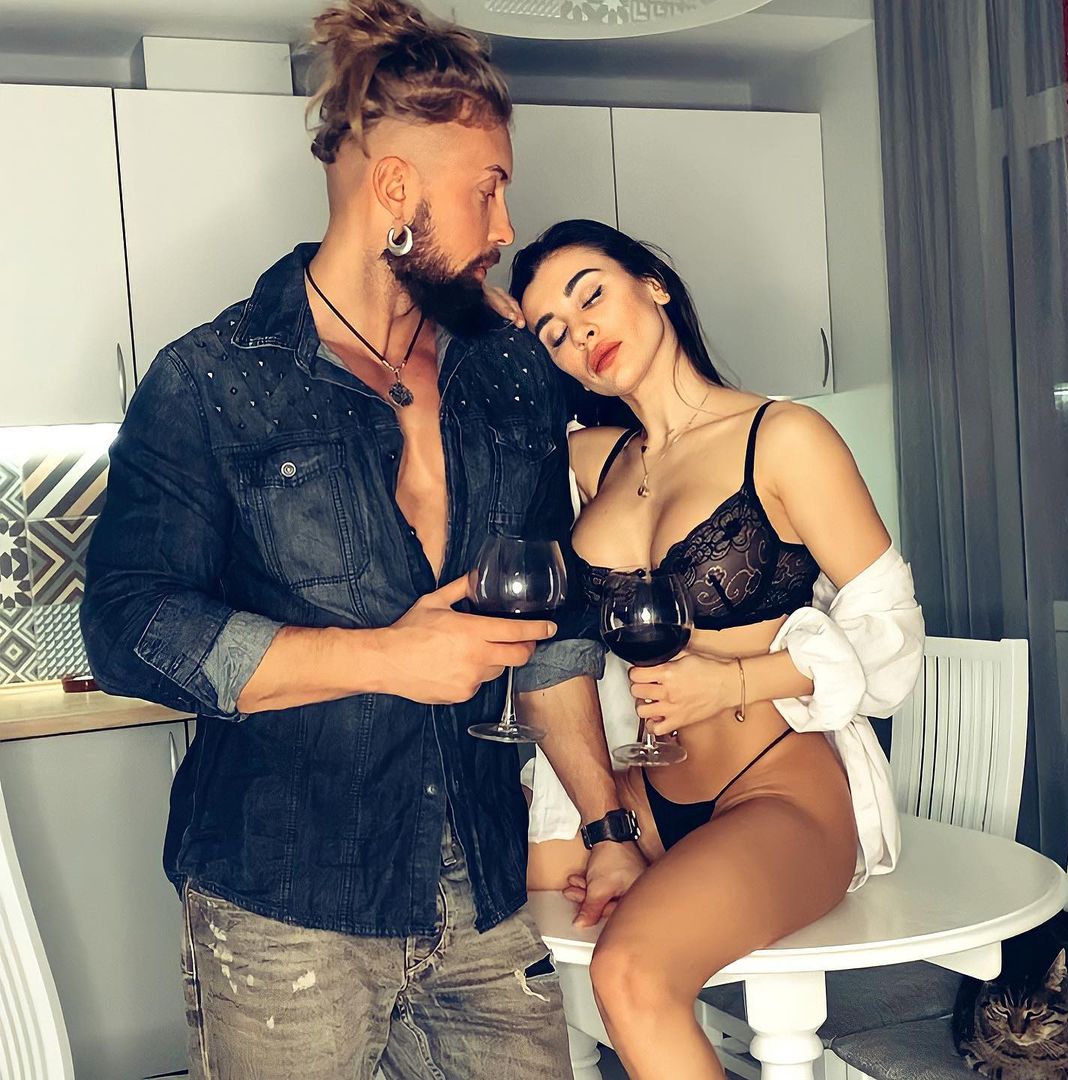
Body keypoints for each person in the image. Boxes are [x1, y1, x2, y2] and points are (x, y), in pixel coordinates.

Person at [80, 11, 644, 1079]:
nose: (504, 225)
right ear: (393, 189)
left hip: (485, 888)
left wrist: (609, 826)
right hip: (286, 906)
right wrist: (388, 657)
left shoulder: (507, 373)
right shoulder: (213, 379)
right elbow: (126, 624)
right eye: (486, 190)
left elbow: (555, 630)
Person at [508, 219, 925, 1079]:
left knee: (629, 972)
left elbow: (892, 636)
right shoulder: (592, 462)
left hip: (777, 789)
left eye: (591, 295)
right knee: (492, 923)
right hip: (646, 794)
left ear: (653, 283)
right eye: (553, 332)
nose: (581, 333)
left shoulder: (783, 437)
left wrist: (731, 682)